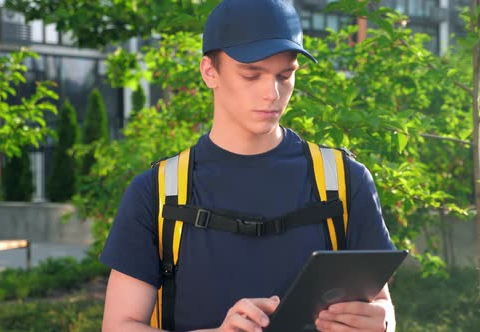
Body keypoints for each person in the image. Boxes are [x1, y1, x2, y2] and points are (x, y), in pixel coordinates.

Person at [101, 0, 397, 331]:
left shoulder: (344, 180)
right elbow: (119, 325)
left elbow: (381, 306)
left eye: (285, 75)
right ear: (209, 71)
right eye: (251, 74)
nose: (272, 93)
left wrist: (382, 324)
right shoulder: (156, 192)